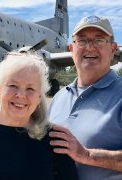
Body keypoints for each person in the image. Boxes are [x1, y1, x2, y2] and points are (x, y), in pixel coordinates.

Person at [0, 52, 79, 180]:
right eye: (13, 85)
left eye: (30, 88)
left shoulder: (56, 139)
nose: (21, 95)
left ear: (40, 96)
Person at [48, 15, 122, 180]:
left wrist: (86, 155)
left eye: (99, 40)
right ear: (72, 49)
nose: (89, 47)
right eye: (81, 41)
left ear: (112, 49)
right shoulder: (59, 97)